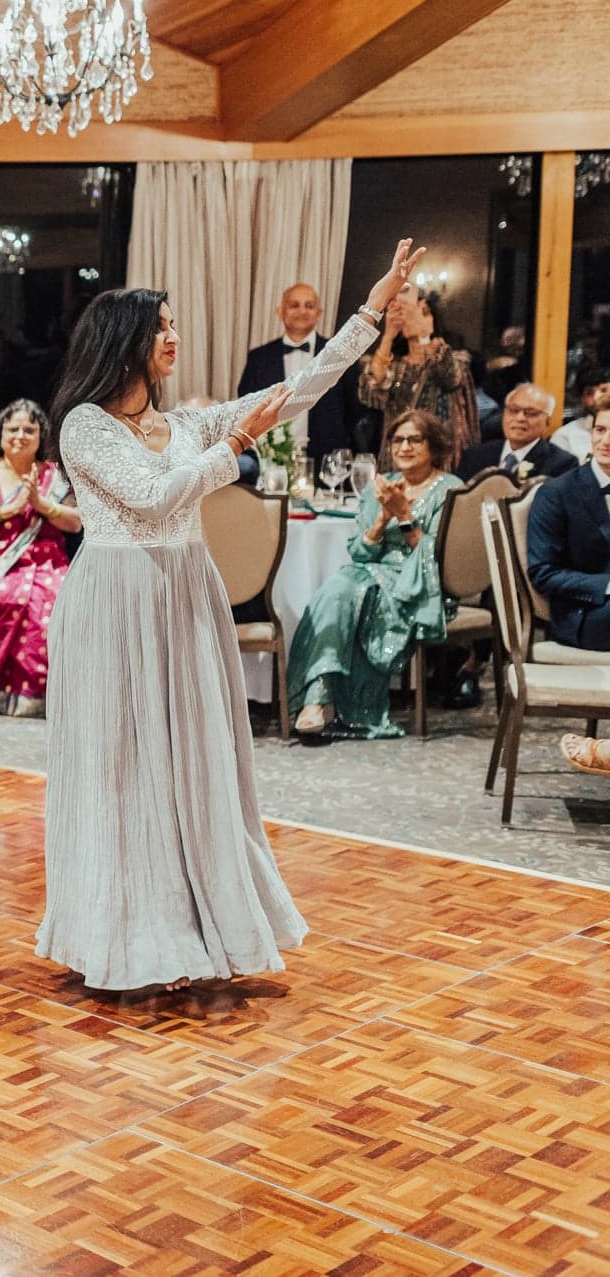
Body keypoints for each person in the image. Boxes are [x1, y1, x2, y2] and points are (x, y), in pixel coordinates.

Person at [37, 238, 422, 992]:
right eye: (163, 327)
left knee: (193, 760)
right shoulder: (84, 427)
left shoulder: (185, 424)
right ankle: (122, 935)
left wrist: (371, 308)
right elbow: (151, 498)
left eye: (175, 325)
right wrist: (234, 448)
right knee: (122, 766)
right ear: (126, 344)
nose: (175, 338)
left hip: (185, 595)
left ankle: (193, 925)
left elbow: (302, 389)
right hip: (115, 602)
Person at [285, 410, 463, 738]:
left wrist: (405, 515)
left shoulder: (449, 489)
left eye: (414, 439)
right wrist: (382, 519)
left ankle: (328, 702)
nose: (405, 447)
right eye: (398, 440)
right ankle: (317, 698)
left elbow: (438, 556)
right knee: (339, 586)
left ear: (434, 445)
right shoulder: (379, 487)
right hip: (372, 571)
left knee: (355, 591)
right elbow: (359, 552)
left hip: (421, 581)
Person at [0, 399, 79, 717]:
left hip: (47, 560)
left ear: (41, 435)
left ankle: (61, 695)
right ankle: (19, 695)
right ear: (0, 433)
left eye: (29, 429)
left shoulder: (54, 476)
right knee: (22, 595)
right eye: (13, 428)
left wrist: (40, 504)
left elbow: (75, 522)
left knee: (67, 596)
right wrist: (4, 511)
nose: (20, 435)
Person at [237, 283, 362, 462]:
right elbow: (246, 406)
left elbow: (353, 411)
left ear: (319, 313)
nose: (302, 311)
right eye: (294, 305)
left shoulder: (339, 356)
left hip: (327, 460)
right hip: (269, 461)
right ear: (281, 311)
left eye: (309, 306)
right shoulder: (259, 358)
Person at [526, 399, 610, 652]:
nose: (605, 441)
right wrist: (606, 586)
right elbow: (543, 572)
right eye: (600, 430)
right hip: (584, 613)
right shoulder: (557, 492)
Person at [358, 284, 476, 454]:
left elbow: (450, 378)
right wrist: (389, 334)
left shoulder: (453, 357)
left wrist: (424, 336)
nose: (408, 318)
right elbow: (371, 394)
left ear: (431, 317)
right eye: (403, 313)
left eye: (419, 313)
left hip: (441, 453)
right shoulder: (396, 364)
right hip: (400, 452)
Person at [456, 384, 575, 480]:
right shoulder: (474, 456)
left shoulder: (562, 464)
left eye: (530, 413)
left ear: (547, 422)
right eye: (513, 410)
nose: (520, 418)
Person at [550, 369, 610, 460]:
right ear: (582, 399)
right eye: (590, 393)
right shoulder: (565, 436)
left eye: (604, 390)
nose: (597, 397)